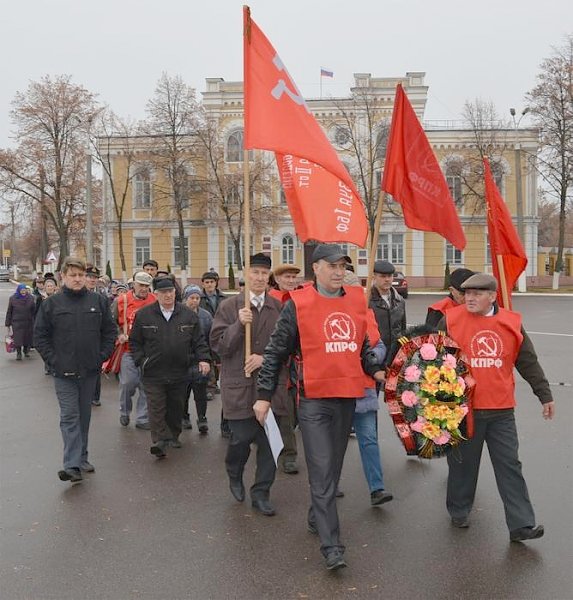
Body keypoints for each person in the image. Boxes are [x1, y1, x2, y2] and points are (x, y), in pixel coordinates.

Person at [255, 244, 385, 570]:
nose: (339, 272)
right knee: (322, 470)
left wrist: (378, 369)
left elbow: (362, 348)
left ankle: (317, 515)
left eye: (343, 266)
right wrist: (263, 395)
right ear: (316, 269)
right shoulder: (297, 304)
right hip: (313, 400)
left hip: (346, 398)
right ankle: (332, 546)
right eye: (333, 266)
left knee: (334, 467)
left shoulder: (357, 300)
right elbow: (274, 353)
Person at [437, 273, 555, 542]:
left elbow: (528, 362)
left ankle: (521, 524)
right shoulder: (451, 320)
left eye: (477, 294)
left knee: (509, 465)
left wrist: (544, 395)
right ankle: (459, 509)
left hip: (501, 410)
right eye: (467, 293)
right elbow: (432, 361)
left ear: (493, 296)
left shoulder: (511, 323)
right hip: (465, 410)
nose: (470, 298)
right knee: (463, 465)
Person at [210, 253, 288, 517]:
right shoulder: (230, 307)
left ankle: (261, 493)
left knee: (269, 446)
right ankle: (234, 471)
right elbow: (219, 346)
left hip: (270, 390)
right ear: (246, 274)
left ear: (269, 278)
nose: (259, 278)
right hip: (239, 388)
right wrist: (237, 325)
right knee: (241, 440)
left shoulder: (278, 308)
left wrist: (264, 358)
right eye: (254, 272)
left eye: (264, 274)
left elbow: (288, 349)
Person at [34, 257, 116, 483]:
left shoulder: (98, 301)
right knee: (70, 416)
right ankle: (71, 465)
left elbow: (109, 332)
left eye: (81, 275)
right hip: (64, 374)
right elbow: (40, 336)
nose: (78, 279)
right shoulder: (52, 304)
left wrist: (101, 356)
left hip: (89, 372)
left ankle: (82, 458)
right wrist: (54, 361)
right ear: (63, 277)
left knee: (84, 417)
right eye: (73, 275)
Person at [129, 277, 211, 458]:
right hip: (153, 371)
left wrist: (203, 359)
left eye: (170, 292)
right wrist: (141, 361)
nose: (167, 295)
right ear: (156, 294)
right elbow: (135, 342)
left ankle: (173, 435)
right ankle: (159, 441)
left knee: (176, 406)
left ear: (175, 293)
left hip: (180, 371)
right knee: (156, 406)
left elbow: (199, 341)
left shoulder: (188, 315)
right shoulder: (144, 315)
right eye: (163, 292)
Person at [111, 271, 156, 430]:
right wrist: (120, 334)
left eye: (146, 286)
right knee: (128, 383)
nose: (144, 289)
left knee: (146, 385)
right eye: (141, 285)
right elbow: (111, 323)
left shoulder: (155, 300)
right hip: (128, 350)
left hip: (148, 351)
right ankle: (125, 411)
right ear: (133, 284)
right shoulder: (121, 300)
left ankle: (142, 418)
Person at [268, 263, 302, 475]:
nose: (291, 281)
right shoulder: (269, 300)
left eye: (293, 278)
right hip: (274, 361)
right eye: (287, 277)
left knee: (294, 412)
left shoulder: (300, 300)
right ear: (277, 279)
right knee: (283, 412)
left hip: (295, 363)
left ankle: (283, 448)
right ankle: (288, 454)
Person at [183, 285, 214, 433]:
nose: (194, 301)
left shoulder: (206, 316)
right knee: (183, 391)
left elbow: (210, 337)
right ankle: (184, 417)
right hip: (182, 360)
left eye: (197, 298)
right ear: (186, 298)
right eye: (191, 298)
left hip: (200, 359)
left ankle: (202, 418)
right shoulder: (179, 314)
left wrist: (209, 358)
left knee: (200, 391)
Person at [369, 260, 407, 359]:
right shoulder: (367, 302)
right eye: (382, 276)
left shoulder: (400, 301)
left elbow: (403, 330)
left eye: (390, 276)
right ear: (374, 277)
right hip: (375, 355)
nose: (387, 279)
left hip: (396, 356)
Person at [5, 284, 35, 360]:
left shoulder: (30, 298)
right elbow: (9, 311)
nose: (23, 292)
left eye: (24, 290)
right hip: (16, 322)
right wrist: (8, 323)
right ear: (18, 290)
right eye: (22, 290)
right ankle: (18, 353)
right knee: (18, 338)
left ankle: (26, 351)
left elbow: (33, 310)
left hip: (28, 321)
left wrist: (34, 320)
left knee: (27, 337)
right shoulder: (13, 299)